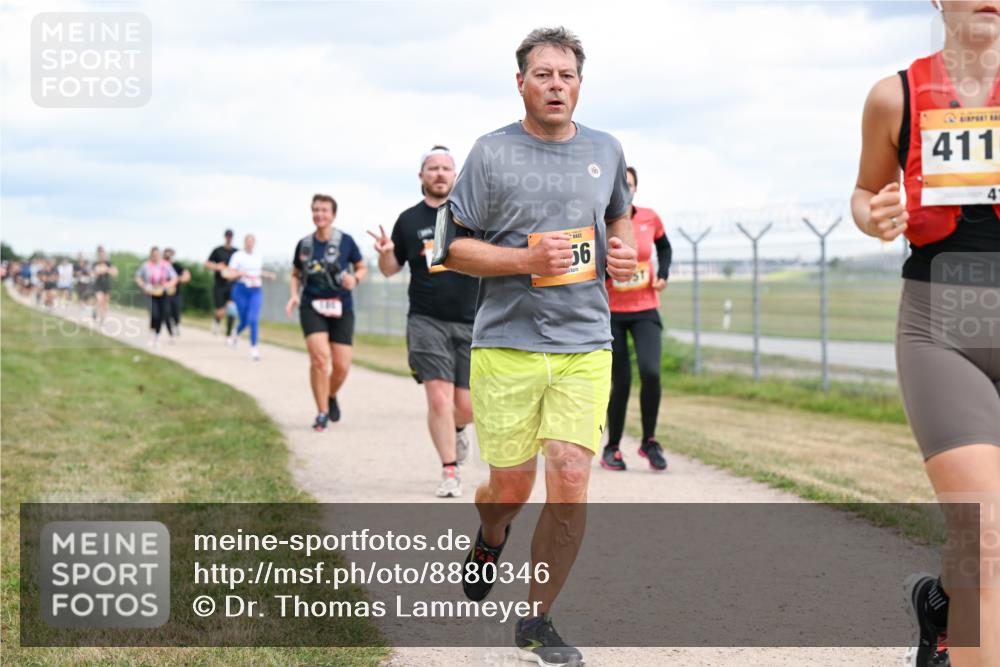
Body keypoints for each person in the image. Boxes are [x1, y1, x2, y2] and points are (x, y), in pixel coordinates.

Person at [439, 27, 636, 666]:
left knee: (572, 477)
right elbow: (454, 248)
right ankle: (491, 534)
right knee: (509, 489)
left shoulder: (606, 150)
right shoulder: (491, 153)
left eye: (567, 75)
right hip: (508, 343)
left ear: (580, 83)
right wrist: (524, 257)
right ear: (520, 81)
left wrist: (625, 252)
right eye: (544, 74)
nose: (557, 85)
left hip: (585, 340)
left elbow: (618, 218)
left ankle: (537, 619)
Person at [851, 3, 1000, 666]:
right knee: (985, 534)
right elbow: (863, 192)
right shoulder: (895, 96)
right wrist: (876, 213)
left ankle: (941, 603)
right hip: (941, 329)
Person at [368, 145, 478, 498]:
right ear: (422, 176)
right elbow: (390, 270)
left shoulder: (472, 218)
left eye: (446, 168)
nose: (440, 173)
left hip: (471, 321)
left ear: (455, 175)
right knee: (438, 399)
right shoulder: (409, 220)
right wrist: (386, 254)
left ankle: (458, 430)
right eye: (433, 168)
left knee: (467, 407)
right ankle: (449, 470)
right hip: (426, 320)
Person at [602, 166, 672, 472]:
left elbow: (664, 247)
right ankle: (613, 446)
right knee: (621, 381)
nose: (625, 190)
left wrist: (664, 274)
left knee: (651, 372)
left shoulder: (649, 217)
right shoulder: (602, 220)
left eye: (629, 185)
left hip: (645, 309)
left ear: (635, 189)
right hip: (612, 311)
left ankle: (649, 441)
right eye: (621, 185)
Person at [285, 194, 367, 431]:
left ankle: (329, 395)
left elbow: (361, 267)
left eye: (324, 210)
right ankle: (321, 412)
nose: (320, 214)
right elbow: (295, 273)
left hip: (341, 306)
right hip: (312, 306)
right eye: (316, 210)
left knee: (341, 366)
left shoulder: (346, 241)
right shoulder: (304, 244)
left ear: (333, 215)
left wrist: (355, 278)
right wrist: (294, 295)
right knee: (320, 359)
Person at [225, 234, 276, 360]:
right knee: (244, 320)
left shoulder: (258, 255)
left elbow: (257, 271)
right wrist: (238, 273)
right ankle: (236, 333)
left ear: (254, 243)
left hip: (255, 290)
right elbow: (229, 274)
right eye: (248, 241)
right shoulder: (238, 256)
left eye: (252, 241)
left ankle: (254, 348)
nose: (250, 244)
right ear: (244, 243)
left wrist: (268, 274)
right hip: (241, 289)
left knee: (253, 319)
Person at [134, 246, 178, 348]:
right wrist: (144, 286)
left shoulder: (166, 265)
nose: (156, 257)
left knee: (162, 315)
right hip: (151, 293)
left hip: (163, 293)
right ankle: (151, 336)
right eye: (154, 255)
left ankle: (157, 337)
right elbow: (138, 277)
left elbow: (174, 278)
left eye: (157, 254)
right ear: (151, 255)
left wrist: (168, 285)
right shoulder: (146, 265)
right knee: (154, 315)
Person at [204, 230, 238, 338]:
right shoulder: (217, 250)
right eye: (227, 236)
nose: (229, 238)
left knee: (232, 308)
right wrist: (217, 267)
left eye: (230, 236)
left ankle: (229, 332)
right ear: (225, 237)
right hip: (219, 284)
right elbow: (206, 264)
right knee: (220, 310)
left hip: (232, 284)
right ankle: (217, 321)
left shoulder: (237, 252)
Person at [163, 248, 191, 337]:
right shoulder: (160, 266)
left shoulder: (177, 266)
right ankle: (170, 331)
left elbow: (187, 275)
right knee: (166, 312)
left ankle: (177, 325)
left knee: (176, 311)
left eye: (169, 256)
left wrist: (177, 279)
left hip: (176, 293)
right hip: (163, 294)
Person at [91, 246, 118, 325]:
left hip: (106, 284)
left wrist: (107, 269)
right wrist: (98, 272)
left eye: (102, 254)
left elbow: (115, 273)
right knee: (99, 300)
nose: (101, 255)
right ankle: (95, 311)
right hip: (98, 284)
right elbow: (92, 274)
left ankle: (102, 318)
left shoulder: (109, 263)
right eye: (99, 254)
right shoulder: (95, 264)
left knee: (105, 303)